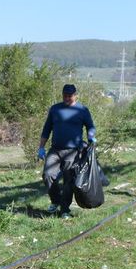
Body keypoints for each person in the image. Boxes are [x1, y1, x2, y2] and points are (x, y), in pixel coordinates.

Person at [38, 84, 98, 218]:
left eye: (69, 96)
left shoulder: (82, 110)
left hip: (73, 151)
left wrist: (91, 136)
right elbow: (47, 129)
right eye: (65, 95)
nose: (67, 98)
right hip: (55, 150)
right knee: (47, 175)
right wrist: (41, 147)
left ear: (75, 95)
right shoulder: (55, 109)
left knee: (68, 181)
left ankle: (65, 209)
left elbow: (90, 126)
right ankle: (55, 201)